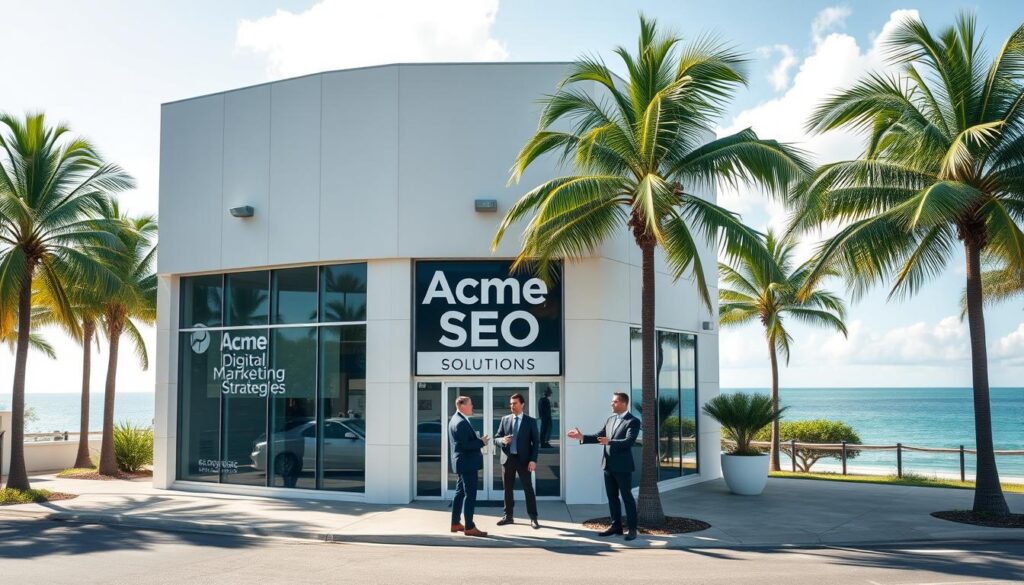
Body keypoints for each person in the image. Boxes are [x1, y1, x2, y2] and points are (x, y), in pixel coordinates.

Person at [567, 392, 640, 541]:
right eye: (612, 402)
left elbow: (629, 442)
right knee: (612, 498)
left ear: (624, 403)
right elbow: (599, 437)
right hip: (608, 466)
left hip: (623, 467)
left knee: (627, 498)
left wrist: (610, 442)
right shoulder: (611, 419)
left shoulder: (633, 421)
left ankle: (632, 529)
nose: (611, 404)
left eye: (615, 402)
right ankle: (616, 526)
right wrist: (582, 437)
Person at [493, 393, 540, 529]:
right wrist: (502, 441)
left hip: (524, 461)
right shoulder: (505, 419)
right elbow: (496, 438)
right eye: (511, 403)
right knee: (507, 489)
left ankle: (533, 518)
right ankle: (508, 517)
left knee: (528, 489)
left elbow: (536, 443)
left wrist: (533, 460)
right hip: (508, 460)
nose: (512, 406)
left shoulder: (530, 421)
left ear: (522, 404)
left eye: (515, 403)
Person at [448, 396, 489, 537]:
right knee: (470, 494)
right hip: (467, 464)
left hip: (462, 463)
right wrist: (481, 442)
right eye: (470, 404)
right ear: (461, 405)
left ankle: (455, 523)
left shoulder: (456, 419)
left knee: (460, 493)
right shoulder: (460, 423)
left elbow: (462, 443)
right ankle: (470, 527)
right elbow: (465, 445)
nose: (472, 407)